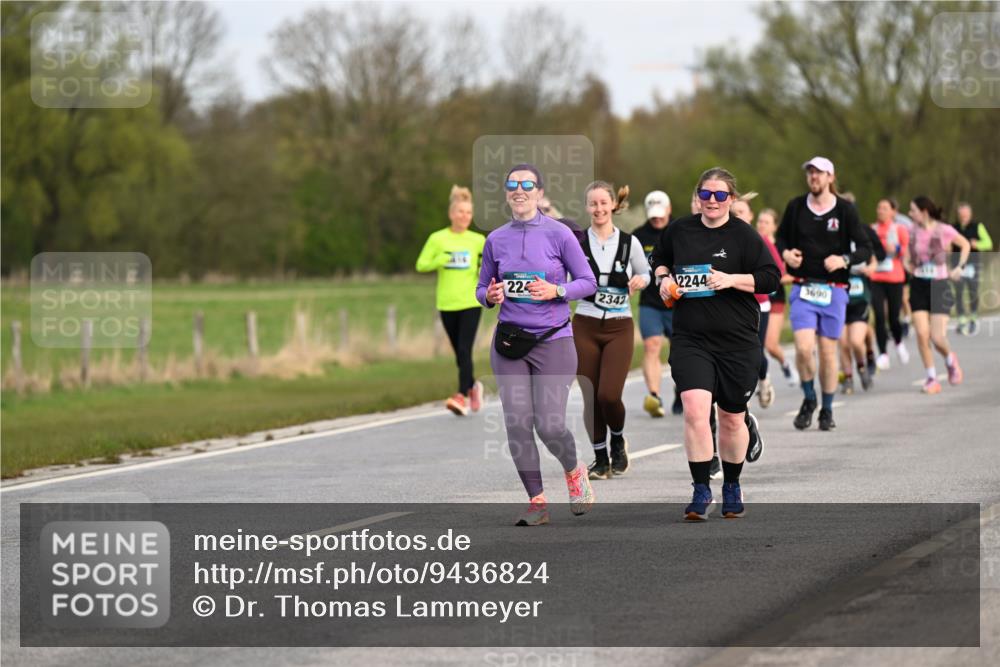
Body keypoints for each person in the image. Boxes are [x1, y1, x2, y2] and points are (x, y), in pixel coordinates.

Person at [651, 167, 780, 521]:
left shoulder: (745, 236)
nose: (712, 201)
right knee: (694, 409)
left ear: (731, 200)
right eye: (706, 194)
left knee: (731, 419)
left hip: (737, 340)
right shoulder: (680, 230)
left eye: (720, 195)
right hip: (691, 338)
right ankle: (700, 489)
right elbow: (659, 259)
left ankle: (732, 484)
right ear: (697, 197)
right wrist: (663, 279)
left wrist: (731, 279)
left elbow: (771, 279)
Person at [477, 163, 598, 526]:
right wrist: (491, 295)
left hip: (553, 340)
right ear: (506, 193)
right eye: (512, 184)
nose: (520, 190)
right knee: (517, 422)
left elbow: (588, 281)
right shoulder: (496, 239)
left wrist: (556, 290)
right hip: (510, 341)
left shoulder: (559, 234)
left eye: (527, 184)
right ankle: (537, 502)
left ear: (540, 193)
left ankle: (574, 470)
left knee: (549, 425)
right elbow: (482, 287)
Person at [775, 157, 872, 432]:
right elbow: (781, 238)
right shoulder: (795, 207)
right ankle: (809, 398)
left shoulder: (845, 210)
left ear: (830, 176)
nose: (813, 178)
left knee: (828, 354)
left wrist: (844, 260)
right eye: (810, 173)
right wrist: (786, 254)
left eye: (818, 173)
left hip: (835, 289)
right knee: (804, 349)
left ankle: (827, 409)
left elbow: (865, 248)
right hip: (805, 286)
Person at [573, 182, 651, 480]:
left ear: (612, 206)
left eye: (603, 203)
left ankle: (617, 439)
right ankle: (600, 458)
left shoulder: (629, 243)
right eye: (593, 204)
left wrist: (640, 282)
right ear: (587, 207)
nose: (599, 209)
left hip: (619, 326)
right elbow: (566, 278)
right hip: (585, 324)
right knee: (591, 395)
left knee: (608, 395)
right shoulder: (578, 243)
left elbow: (644, 272)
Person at [415, 185, 487, 416]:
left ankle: (461, 395)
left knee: (465, 349)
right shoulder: (438, 238)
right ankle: (474, 386)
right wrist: (442, 259)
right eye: (460, 212)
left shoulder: (478, 240)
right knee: (460, 353)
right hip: (446, 303)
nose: (464, 216)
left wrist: (482, 269)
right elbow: (421, 264)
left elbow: (488, 266)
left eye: (468, 212)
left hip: (471, 302)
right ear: (451, 214)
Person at [906, 196, 971, 394]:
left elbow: (965, 245)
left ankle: (950, 359)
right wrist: (909, 266)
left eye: (913, 210)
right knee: (921, 333)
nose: (910, 214)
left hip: (939, 285)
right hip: (918, 285)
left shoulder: (943, 229)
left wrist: (959, 267)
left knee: (936, 337)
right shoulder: (912, 231)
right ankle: (932, 377)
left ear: (924, 211)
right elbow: (908, 257)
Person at [633, 190, 682, 418]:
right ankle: (654, 395)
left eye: (661, 215)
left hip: (677, 302)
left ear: (669, 209)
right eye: (653, 216)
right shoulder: (638, 236)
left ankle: (682, 387)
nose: (657, 220)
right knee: (652, 346)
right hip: (650, 302)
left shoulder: (681, 230)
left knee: (680, 349)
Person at [732, 195, 781, 409]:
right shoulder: (722, 239)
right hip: (732, 305)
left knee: (756, 351)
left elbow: (776, 272)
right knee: (734, 351)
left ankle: (763, 380)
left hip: (759, 305)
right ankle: (739, 397)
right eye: (734, 213)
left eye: (741, 212)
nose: (737, 216)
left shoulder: (760, 241)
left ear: (751, 216)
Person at [838, 225, 884, 393]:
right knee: (843, 342)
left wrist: (870, 269)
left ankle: (862, 367)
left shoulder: (861, 241)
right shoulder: (834, 241)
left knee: (856, 341)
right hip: (840, 299)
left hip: (859, 299)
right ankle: (848, 378)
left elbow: (874, 260)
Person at [755, 208, 797, 386]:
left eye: (766, 222)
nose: (762, 225)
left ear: (774, 227)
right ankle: (761, 376)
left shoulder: (781, 247)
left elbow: (791, 275)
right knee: (756, 345)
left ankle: (786, 364)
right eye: (760, 221)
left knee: (770, 345)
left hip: (775, 298)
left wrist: (771, 280)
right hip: (756, 298)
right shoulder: (754, 242)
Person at [870, 198, 911, 370]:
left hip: (895, 278)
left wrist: (895, 250)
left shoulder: (899, 229)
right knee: (879, 316)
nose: (881, 211)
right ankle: (883, 354)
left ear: (893, 212)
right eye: (879, 207)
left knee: (893, 316)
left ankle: (899, 342)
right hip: (876, 278)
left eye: (885, 208)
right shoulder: (872, 229)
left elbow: (906, 252)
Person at [952, 202, 994, 335]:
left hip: (973, 265)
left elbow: (989, 243)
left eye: (966, 215)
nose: (964, 217)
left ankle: (973, 318)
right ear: (958, 215)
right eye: (961, 215)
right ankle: (961, 320)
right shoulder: (953, 227)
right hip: (957, 264)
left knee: (973, 292)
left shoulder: (978, 226)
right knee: (958, 292)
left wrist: (977, 244)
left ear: (970, 214)